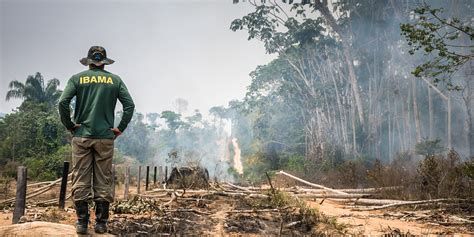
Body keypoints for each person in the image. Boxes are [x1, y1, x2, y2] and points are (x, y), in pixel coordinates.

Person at [58, 46, 135, 234]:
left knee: (80, 177)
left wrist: (70, 125)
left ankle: (82, 223)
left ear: (89, 61)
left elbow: (62, 102)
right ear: (104, 62)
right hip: (105, 138)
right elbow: (129, 105)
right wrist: (119, 128)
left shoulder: (77, 79)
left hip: (82, 136)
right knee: (104, 178)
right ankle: (101, 223)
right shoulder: (115, 80)